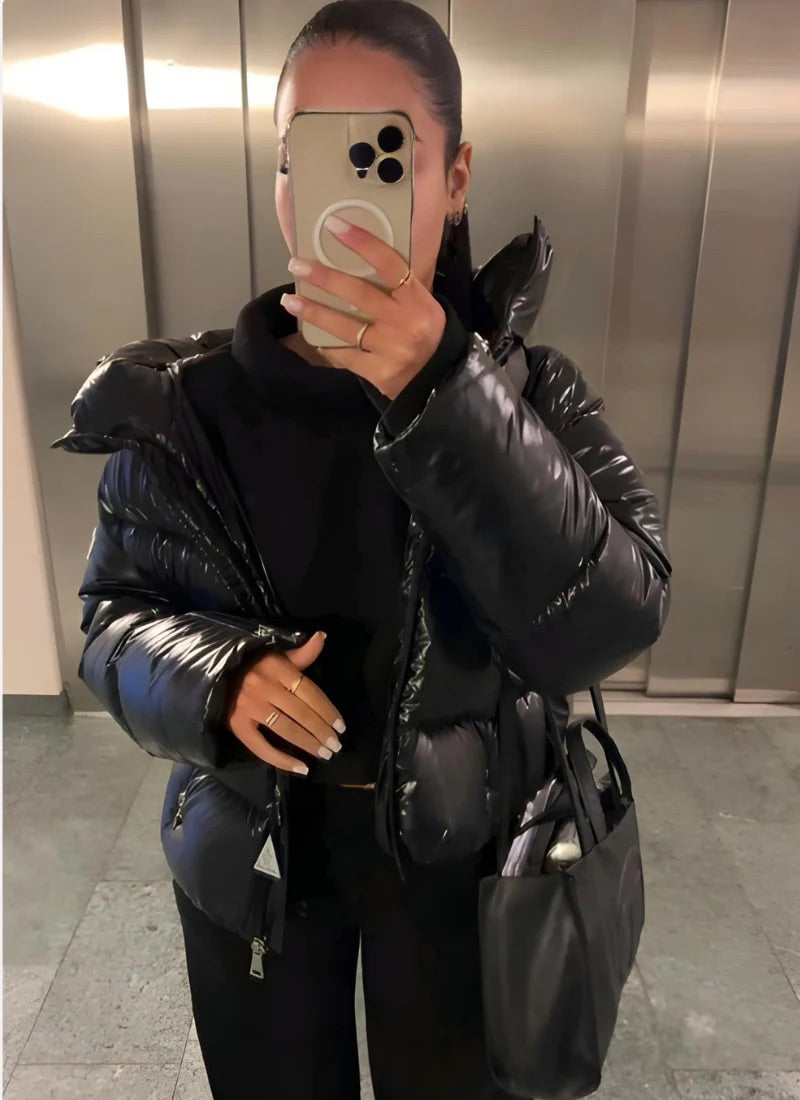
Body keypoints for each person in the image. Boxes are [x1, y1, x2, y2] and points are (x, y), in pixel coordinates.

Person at [54, 2, 672, 1098]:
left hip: (465, 857)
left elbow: (611, 619)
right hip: (257, 852)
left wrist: (448, 396)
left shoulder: (528, 396)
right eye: (304, 151)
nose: (337, 192)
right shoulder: (185, 405)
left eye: (382, 150)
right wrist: (214, 677)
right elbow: (112, 618)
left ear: (456, 176)